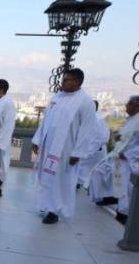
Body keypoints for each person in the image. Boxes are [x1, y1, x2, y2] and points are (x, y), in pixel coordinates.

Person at [31, 68, 98, 224]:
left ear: (77, 82)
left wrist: (78, 152)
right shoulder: (57, 97)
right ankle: (45, 205)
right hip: (49, 146)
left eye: (66, 80)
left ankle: (55, 210)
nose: (62, 82)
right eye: (63, 79)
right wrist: (37, 140)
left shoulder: (85, 102)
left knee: (60, 179)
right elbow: (46, 120)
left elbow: (87, 129)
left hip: (66, 149)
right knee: (46, 176)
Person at [89, 95, 139, 224]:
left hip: (128, 159)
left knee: (122, 185)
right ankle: (107, 196)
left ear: (137, 106)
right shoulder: (131, 119)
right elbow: (127, 137)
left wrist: (128, 155)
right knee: (98, 172)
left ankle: (123, 212)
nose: (126, 106)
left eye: (129, 103)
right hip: (117, 154)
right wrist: (119, 137)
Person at [76, 101, 110, 189]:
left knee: (92, 172)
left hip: (95, 151)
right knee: (81, 171)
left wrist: (90, 150)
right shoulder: (86, 118)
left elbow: (102, 137)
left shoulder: (98, 120)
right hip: (86, 150)